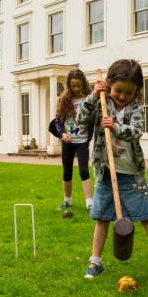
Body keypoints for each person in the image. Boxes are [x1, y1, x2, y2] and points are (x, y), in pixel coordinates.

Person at [77, 59, 148, 281]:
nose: (122, 96)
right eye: (118, 90)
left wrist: (116, 127)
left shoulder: (136, 108)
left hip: (132, 173)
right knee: (101, 216)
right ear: (109, 85)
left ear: (136, 91)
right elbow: (81, 120)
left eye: (128, 92)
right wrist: (92, 96)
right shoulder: (101, 102)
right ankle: (95, 263)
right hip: (105, 171)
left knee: (147, 215)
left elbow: (136, 131)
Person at [54, 69, 94, 211]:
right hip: (68, 142)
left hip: (82, 141)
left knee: (84, 171)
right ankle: (67, 201)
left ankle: (90, 203)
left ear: (83, 83)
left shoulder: (88, 99)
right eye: (73, 86)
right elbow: (58, 121)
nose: (76, 88)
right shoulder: (64, 100)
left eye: (78, 85)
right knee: (67, 172)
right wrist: (62, 134)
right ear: (69, 85)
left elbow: (94, 118)